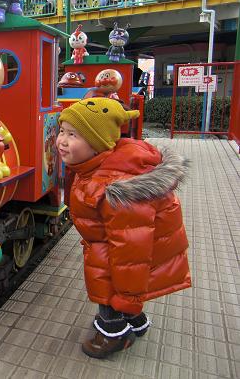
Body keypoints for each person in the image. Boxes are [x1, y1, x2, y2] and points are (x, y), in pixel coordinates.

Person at [56, 98, 191, 359]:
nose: (62, 140)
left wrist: (127, 297)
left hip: (117, 256)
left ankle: (113, 334)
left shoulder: (116, 190)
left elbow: (132, 255)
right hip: (108, 248)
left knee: (106, 291)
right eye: (62, 131)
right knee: (111, 280)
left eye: (73, 135)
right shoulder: (92, 167)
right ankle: (136, 321)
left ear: (97, 144)